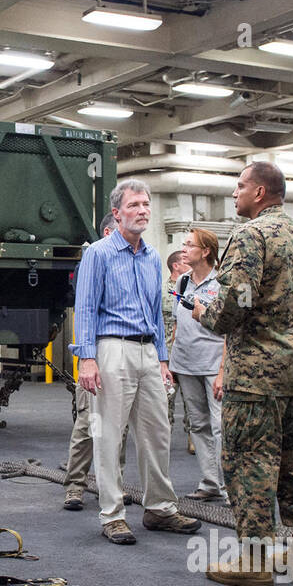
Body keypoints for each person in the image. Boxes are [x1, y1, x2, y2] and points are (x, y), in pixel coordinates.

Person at [192, 162, 293, 586]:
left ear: (260, 193)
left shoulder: (250, 236)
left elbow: (234, 305)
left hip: (254, 377)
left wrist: (207, 314)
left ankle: (255, 562)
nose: (234, 194)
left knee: (249, 461)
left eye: (240, 187)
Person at [70, 179, 202, 545]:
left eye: (146, 204)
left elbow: (156, 314)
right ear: (117, 213)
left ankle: (159, 508)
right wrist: (87, 359)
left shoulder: (153, 257)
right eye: (134, 205)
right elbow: (84, 309)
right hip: (111, 349)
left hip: (148, 352)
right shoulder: (98, 253)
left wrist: (162, 359)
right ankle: (112, 514)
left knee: (158, 433)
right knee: (109, 436)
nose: (143, 210)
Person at [62, 214, 127, 511]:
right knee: (88, 424)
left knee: (117, 427)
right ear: (107, 232)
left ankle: (112, 484)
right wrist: (88, 360)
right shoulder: (92, 261)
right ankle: (75, 485)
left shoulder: (135, 262)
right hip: (96, 355)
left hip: (122, 357)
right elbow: (85, 311)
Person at [170, 227, 227, 502]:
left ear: (205, 251)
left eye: (189, 245)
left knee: (220, 426)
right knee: (199, 425)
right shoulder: (182, 282)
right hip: (185, 363)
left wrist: (223, 372)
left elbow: (231, 331)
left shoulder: (222, 284)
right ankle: (210, 483)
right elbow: (177, 324)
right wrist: (170, 362)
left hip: (213, 364)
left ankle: (229, 488)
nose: (184, 249)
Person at [164, 250, 195, 455]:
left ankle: (193, 436)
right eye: (185, 262)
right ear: (176, 266)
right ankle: (163, 437)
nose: (189, 264)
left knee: (191, 399)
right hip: (167, 351)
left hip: (186, 350)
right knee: (166, 399)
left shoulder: (191, 286)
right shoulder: (166, 290)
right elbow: (179, 304)